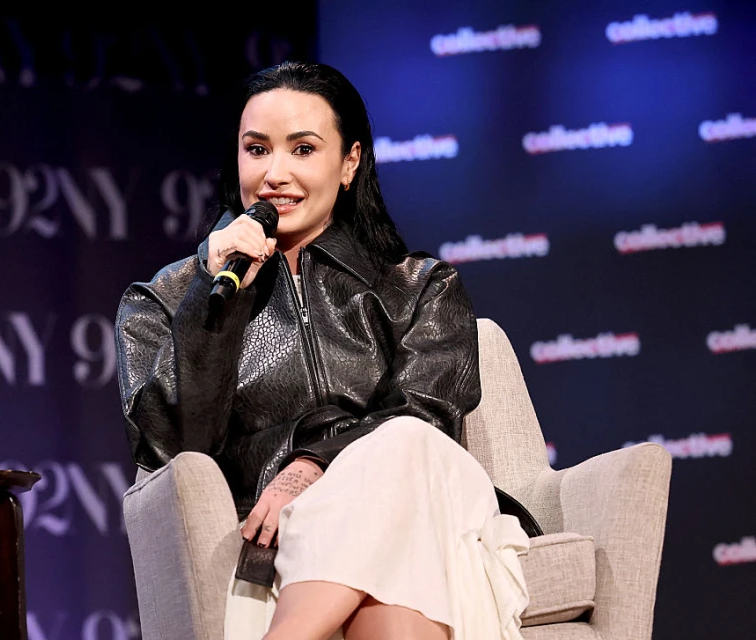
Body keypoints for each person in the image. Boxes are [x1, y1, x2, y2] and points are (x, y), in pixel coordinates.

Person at [116, 61, 529, 640]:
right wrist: (214, 305)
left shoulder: (420, 287)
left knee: (408, 442)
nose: (274, 174)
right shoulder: (165, 301)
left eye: (303, 149)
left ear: (350, 162)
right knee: (402, 579)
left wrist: (315, 464)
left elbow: (426, 417)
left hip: (424, 505)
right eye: (257, 150)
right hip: (280, 532)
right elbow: (174, 452)